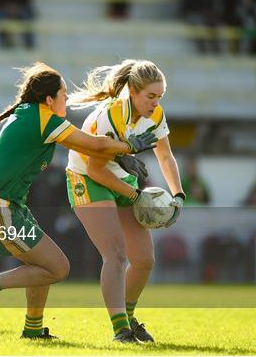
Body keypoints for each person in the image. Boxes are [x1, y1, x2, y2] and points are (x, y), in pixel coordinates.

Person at [0, 62, 158, 340]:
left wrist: (120, 155)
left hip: (3, 205)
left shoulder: (32, 114)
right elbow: (94, 145)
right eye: (63, 93)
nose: (67, 99)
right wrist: (131, 146)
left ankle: (33, 329)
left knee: (43, 265)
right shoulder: (45, 118)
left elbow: (88, 147)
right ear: (49, 99)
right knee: (57, 268)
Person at [65, 60, 185, 343]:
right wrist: (136, 196)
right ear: (132, 91)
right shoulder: (110, 116)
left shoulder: (154, 115)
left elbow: (165, 156)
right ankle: (120, 329)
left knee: (144, 260)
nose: (156, 103)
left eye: (160, 97)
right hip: (88, 179)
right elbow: (95, 169)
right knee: (116, 254)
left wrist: (178, 195)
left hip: (121, 179)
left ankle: (129, 318)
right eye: (150, 96)